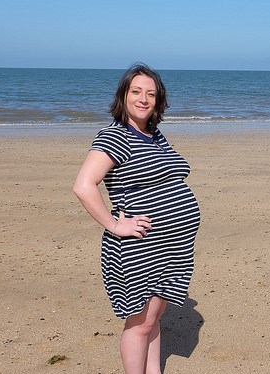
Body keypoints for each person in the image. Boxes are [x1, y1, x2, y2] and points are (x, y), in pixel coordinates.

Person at [73, 63, 200, 374]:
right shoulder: (115, 136)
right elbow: (83, 185)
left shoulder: (154, 134)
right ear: (124, 95)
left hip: (173, 247)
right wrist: (116, 224)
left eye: (151, 94)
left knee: (152, 319)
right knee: (140, 323)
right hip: (141, 247)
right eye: (137, 92)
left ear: (159, 100)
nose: (144, 99)